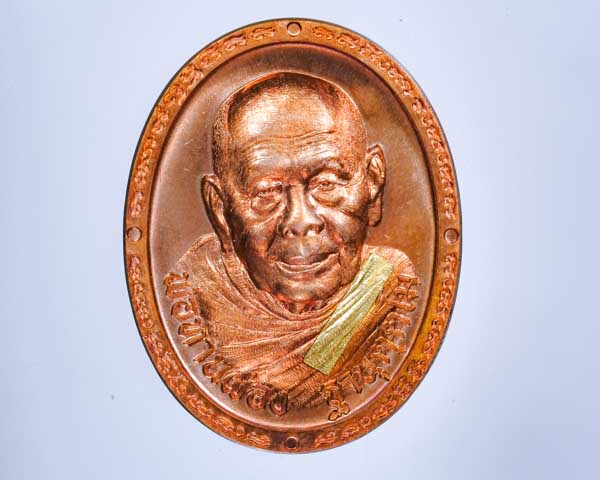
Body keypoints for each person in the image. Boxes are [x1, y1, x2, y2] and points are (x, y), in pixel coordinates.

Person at [167, 72, 419, 417]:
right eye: (266, 192)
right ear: (221, 211)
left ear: (372, 183)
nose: (300, 221)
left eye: (327, 184)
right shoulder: (194, 294)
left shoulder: (387, 287)